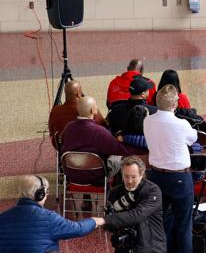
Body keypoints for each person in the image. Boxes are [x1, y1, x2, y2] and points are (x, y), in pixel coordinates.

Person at [143, 84, 198, 253]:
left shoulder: (147, 120)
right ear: (175, 105)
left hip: (155, 176)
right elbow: (193, 139)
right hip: (179, 178)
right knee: (184, 225)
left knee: (159, 224)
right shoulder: (182, 124)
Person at [0, 175, 103, 252]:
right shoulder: (48, 217)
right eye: (46, 191)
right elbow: (78, 229)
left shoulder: (2, 217)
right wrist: (97, 220)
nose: (47, 195)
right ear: (40, 195)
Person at [61, 96, 139, 186]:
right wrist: (141, 148)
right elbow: (119, 149)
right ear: (93, 110)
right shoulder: (99, 131)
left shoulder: (68, 127)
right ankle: (116, 191)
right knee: (119, 156)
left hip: (72, 174)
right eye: (96, 106)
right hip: (96, 176)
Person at [104, 156, 166, 252]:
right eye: (126, 176)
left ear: (141, 174)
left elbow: (137, 214)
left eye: (133, 177)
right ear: (121, 174)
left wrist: (106, 220)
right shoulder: (115, 193)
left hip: (151, 246)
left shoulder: (153, 191)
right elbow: (111, 227)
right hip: (124, 245)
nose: (129, 181)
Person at [49, 79, 106, 147]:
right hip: (88, 149)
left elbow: (52, 132)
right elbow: (104, 127)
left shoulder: (55, 110)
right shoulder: (89, 108)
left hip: (64, 148)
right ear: (79, 93)